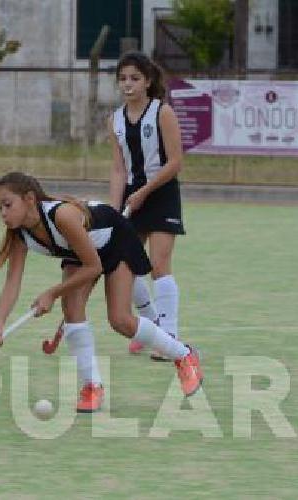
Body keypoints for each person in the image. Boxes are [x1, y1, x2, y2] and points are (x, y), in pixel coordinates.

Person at [0, 172, 204, 412]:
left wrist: (53, 293)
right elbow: (12, 282)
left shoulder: (62, 216)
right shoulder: (20, 234)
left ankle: (183, 355)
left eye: (7, 205)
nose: (3, 213)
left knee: (120, 321)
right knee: (72, 311)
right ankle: (92, 386)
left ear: (29, 199)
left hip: (116, 240)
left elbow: (94, 266)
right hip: (80, 253)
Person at [107, 52, 187, 361]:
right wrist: (113, 212)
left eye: (135, 78)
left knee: (158, 265)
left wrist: (144, 191)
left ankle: (170, 338)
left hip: (162, 192)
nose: (128, 84)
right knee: (126, 267)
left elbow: (176, 161)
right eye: (123, 78)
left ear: (148, 81)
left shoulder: (162, 112)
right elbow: (118, 169)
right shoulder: (113, 119)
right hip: (131, 197)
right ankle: (151, 324)